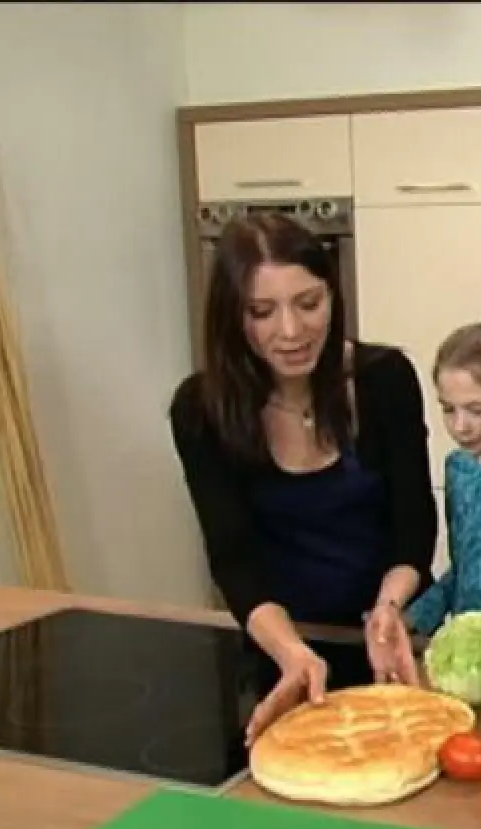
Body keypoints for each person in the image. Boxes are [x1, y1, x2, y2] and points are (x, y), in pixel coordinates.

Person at [169, 211, 437, 744]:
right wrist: (291, 651)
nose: (291, 331)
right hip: (282, 646)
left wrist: (386, 612)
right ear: (231, 318)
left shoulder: (385, 380)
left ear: (333, 298)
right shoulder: (200, 410)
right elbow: (233, 559)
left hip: (390, 633)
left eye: (309, 303)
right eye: (262, 312)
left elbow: (414, 531)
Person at [388, 314, 481, 640]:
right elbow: (462, 573)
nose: (460, 426)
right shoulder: (460, 470)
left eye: (477, 410)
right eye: (448, 409)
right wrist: (410, 620)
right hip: (469, 652)